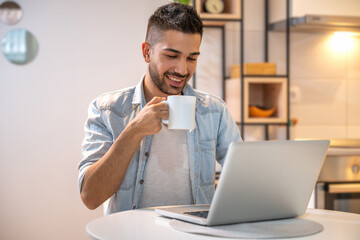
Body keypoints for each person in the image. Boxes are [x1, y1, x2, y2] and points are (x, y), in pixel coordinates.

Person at [78, 2, 241, 215]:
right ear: (147, 52)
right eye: (172, 56)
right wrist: (134, 131)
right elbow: (91, 197)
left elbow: (243, 178)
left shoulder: (214, 111)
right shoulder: (107, 110)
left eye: (191, 58)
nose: (182, 69)